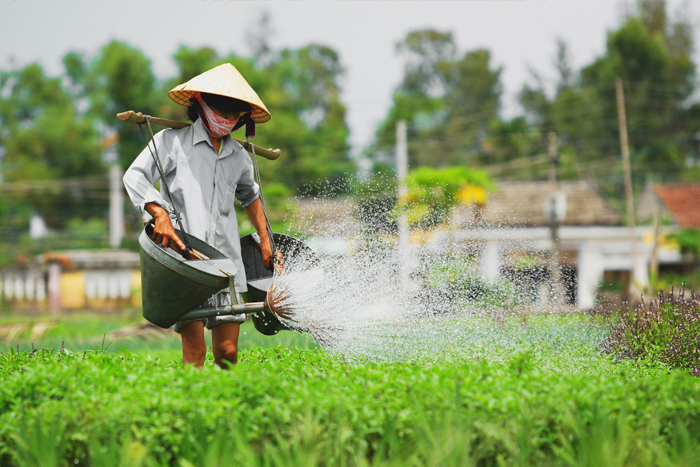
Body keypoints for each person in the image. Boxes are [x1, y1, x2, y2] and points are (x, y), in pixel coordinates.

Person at [123, 64, 282, 368]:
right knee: (194, 351)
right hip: (185, 263)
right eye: (221, 111)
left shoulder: (238, 156)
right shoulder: (172, 143)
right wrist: (158, 213)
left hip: (225, 264)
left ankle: (224, 407)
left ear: (242, 119)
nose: (226, 120)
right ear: (199, 102)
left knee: (227, 354)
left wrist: (266, 239)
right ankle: (191, 406)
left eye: (234, 116)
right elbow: (135, 176)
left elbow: (251, 195)